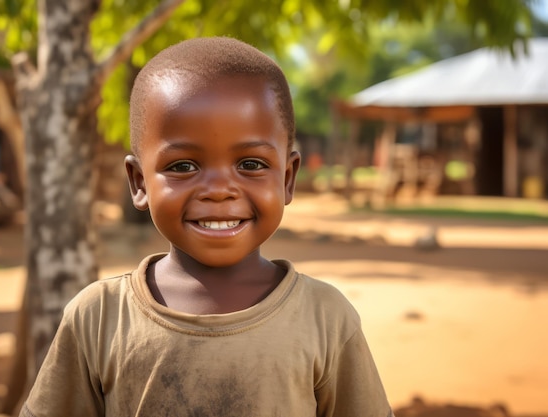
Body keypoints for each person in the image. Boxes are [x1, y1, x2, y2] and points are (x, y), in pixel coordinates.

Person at [20, 36, 393, 417]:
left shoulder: (325, 318)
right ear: (139, 182)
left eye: (250, 164)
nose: (218, 191)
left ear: (287, 178)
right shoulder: (99, 317)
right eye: (183, 166)